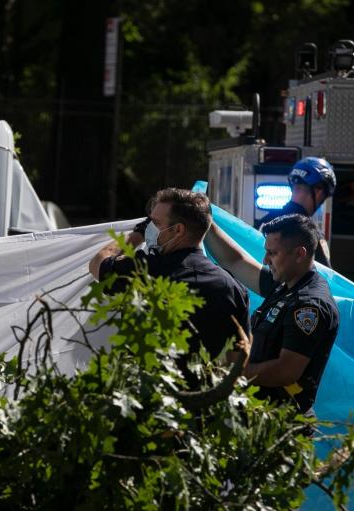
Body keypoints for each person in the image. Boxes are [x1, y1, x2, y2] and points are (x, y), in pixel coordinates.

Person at [88, 188, 250, 362]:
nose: (151, 228)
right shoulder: (232, 288)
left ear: (178, 230)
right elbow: (239, 360)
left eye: (156, 223)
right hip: (202, 387)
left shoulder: (145, 269)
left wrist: (137, 235)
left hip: (146, 385)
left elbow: (97, 264)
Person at [204, 214, 339, 417]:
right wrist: (205, 223)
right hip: (261, 415)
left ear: (299, 254)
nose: (265, 260)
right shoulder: (286, 283)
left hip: (282, 424)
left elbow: (285, 371)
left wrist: (232, 371)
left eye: (272, 253)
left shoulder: (309, 305)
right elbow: (235, 261)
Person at [268, 156, 336, 267]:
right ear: (319, 191)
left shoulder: (266, 222)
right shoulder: (309, 234)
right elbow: (325, 276)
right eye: (324, 197)